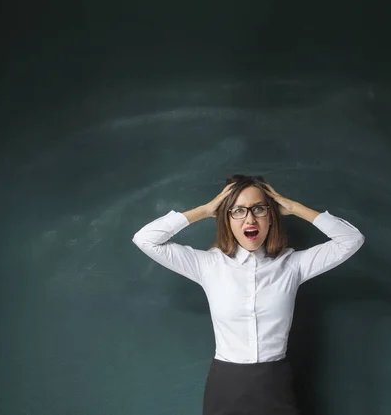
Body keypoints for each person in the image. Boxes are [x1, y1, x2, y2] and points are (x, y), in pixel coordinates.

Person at [132, 174, 365, 415]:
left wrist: (295, 208)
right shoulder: (209, 265)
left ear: (271, 217)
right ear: (227, 218)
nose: (249, 218)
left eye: (259, 209)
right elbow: (146, 239)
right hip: (226, 385)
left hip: (276, 384)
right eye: (238, 211)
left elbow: (351, 240)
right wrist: (205, 210)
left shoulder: (293, 265)